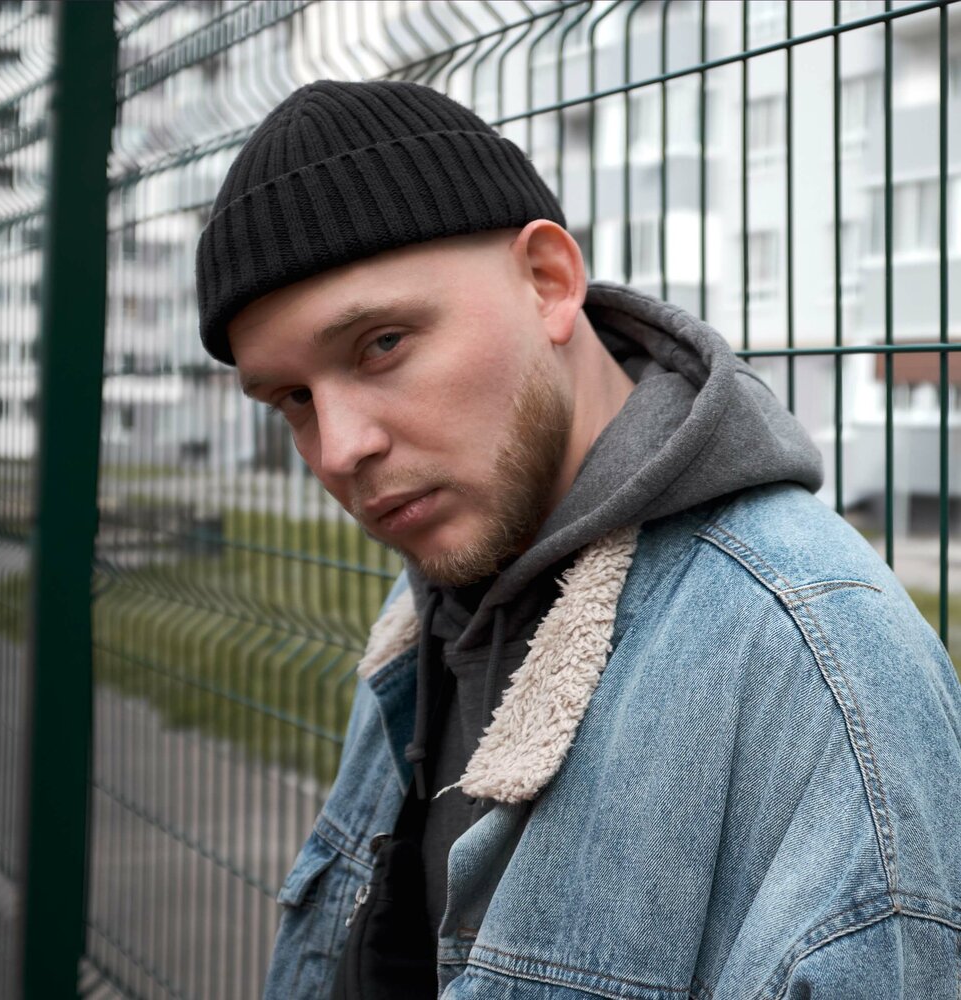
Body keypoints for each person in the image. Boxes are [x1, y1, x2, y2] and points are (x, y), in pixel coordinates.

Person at [195, 80, 961, 999]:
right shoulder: (436, 595)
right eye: (292, 398)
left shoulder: (814, 664)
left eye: (383, 344)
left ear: (549, 282)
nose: (340, 448)